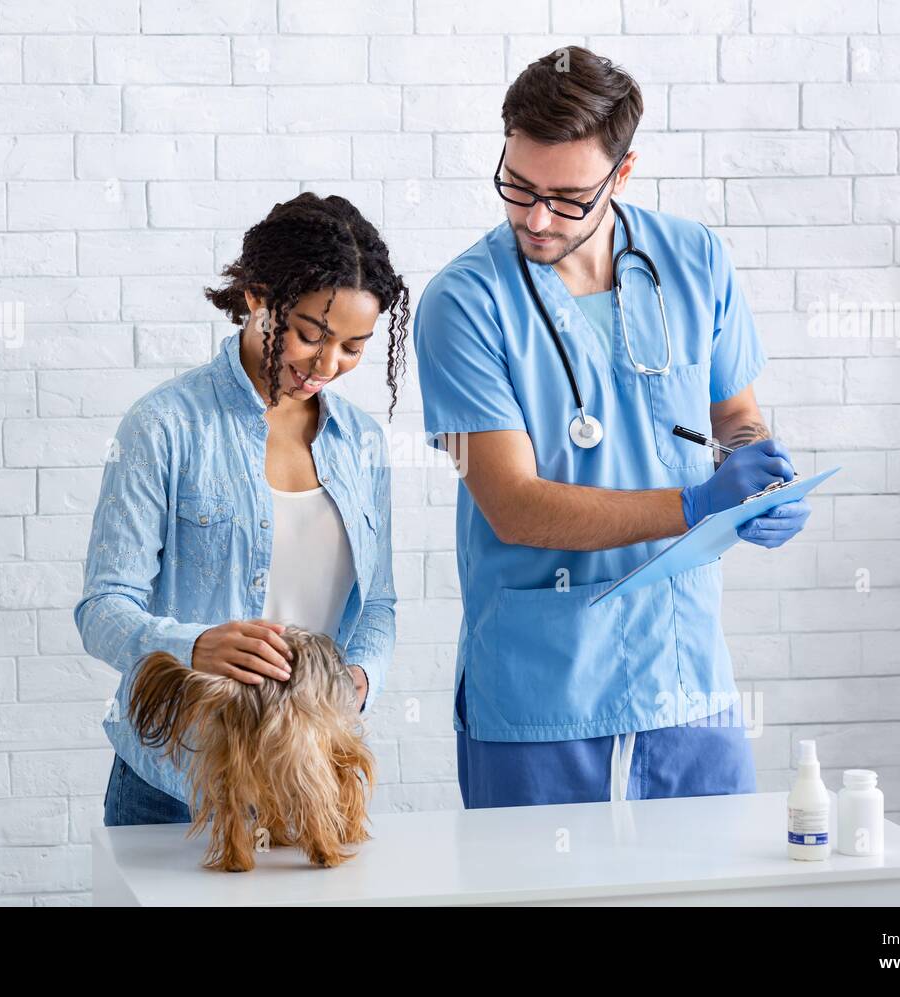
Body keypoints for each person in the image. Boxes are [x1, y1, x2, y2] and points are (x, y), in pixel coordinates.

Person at [413, 47, 811, 809]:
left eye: (565, 198)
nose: (534, 217)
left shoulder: (694, 259)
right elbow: (514, 504)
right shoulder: (463, 305)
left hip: (684, 668)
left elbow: (736, 417)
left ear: (622, 176)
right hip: (542, 687)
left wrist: (764, 475)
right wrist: (694, 506)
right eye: (517, 186)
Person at [76, 192, 407, 826]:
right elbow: (102, 608)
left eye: (354, 347)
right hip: (176, 783)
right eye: (310, 334)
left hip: (308, 779)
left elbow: (379, 605)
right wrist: (192, 644)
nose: (328, 365)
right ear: (257, 297)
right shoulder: (165, 426)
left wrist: (361, 679)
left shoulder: (361, 443)